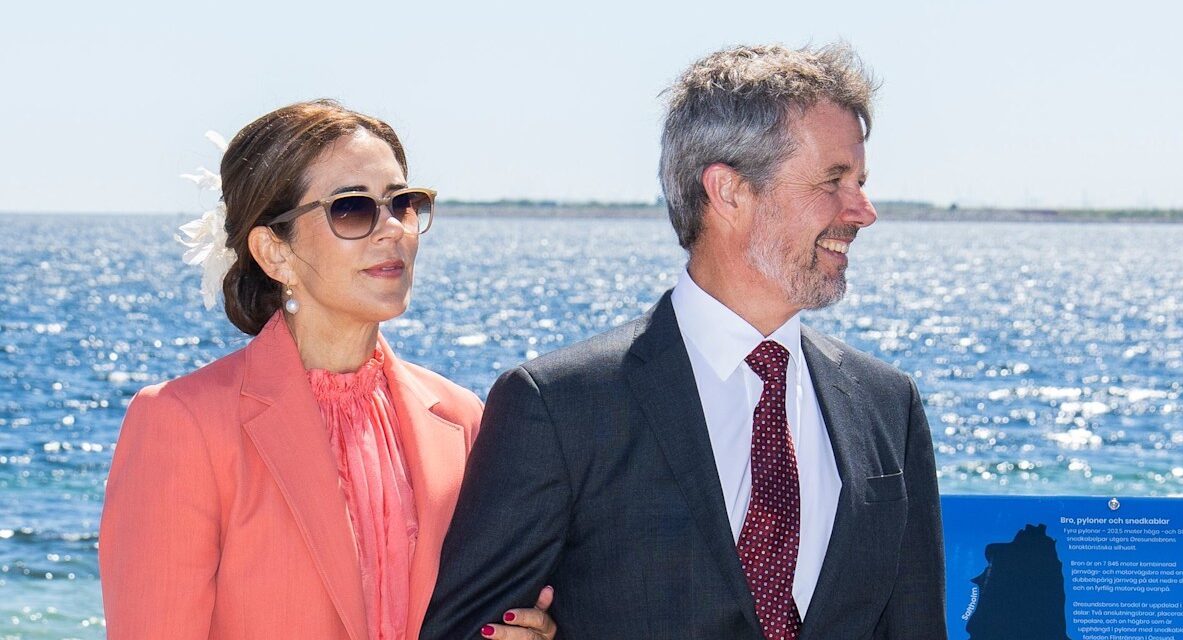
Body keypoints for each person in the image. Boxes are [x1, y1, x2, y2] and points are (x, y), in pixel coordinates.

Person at [421, 44, 947, 639]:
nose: (864, 211)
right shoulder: (558, 407)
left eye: (862, 182)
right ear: (728, 192)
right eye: (834, 180)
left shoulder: (887, 406)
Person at [100, 100, 556, 640]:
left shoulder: (462, 419)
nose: (393, 230)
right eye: (352, 209)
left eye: (403, 204)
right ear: (275, 252)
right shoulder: (181, 424)